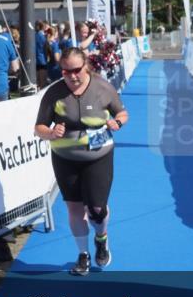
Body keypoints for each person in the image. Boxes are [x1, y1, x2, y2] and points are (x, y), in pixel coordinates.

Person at [34, 47, 129, 275]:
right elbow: (39, 128)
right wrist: (50, 133)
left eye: (76, 70)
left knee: (96, 209)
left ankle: (101, 238)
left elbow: (123, 113)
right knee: (74, 208)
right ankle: (83, 255)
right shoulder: (53, 93)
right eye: (65, 72)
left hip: (99, 156)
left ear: (85, 66)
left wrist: (118, 122)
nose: (72, 76)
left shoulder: (102, 88)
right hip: (65, 158)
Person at [35, 20, 49, 89]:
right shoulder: (42, 37)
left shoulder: (35, 35)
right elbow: (45, 48)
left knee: (38, 81)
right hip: (42, 60)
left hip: (37, 60)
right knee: (42, 81)